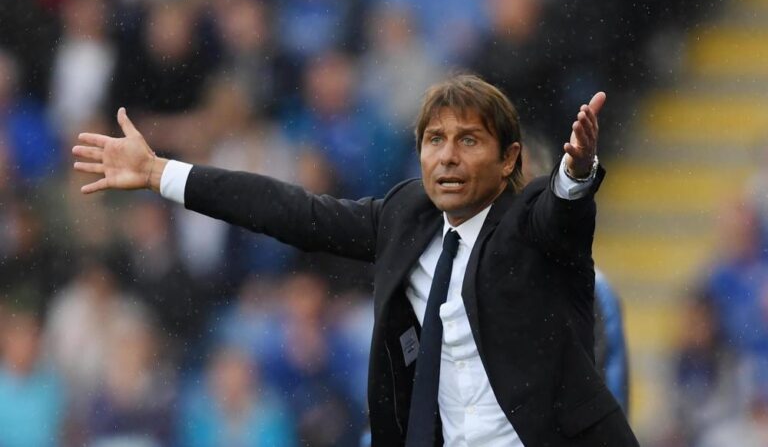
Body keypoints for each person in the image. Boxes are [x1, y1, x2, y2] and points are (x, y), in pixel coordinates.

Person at [73, 74, 638, 446]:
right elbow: (290, 212)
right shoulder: (405, 218)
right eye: (434, 139)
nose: (447, 156)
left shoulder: (531, 224)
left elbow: (562, 211)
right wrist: (159, 172)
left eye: (469, 140)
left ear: (509, 158)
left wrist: (577, 172)